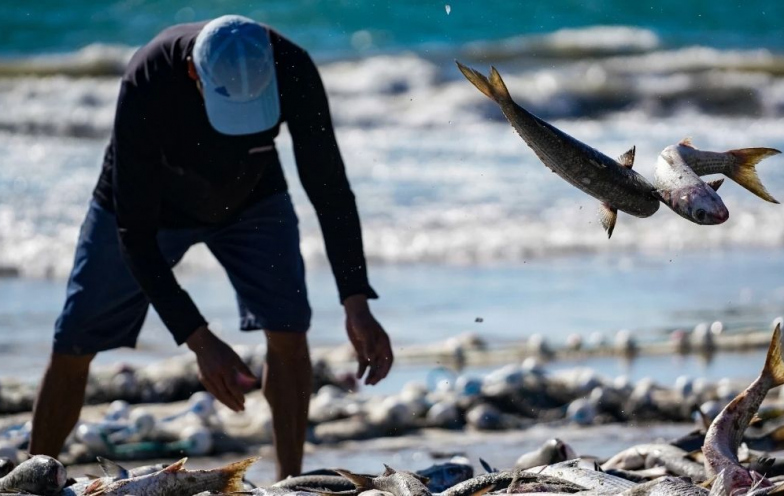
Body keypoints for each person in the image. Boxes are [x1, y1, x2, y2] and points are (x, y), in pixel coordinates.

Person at [29, 15, 393, 479]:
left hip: (252, 197)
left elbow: (330, 189)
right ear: (193, 74)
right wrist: (200, 340)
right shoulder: (149, 78)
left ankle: (289, 484)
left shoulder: (293, 68)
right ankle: (31, 482)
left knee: (289, 330)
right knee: (74, 339)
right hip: (150, 206)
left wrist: (356, 300)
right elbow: (134, 238)